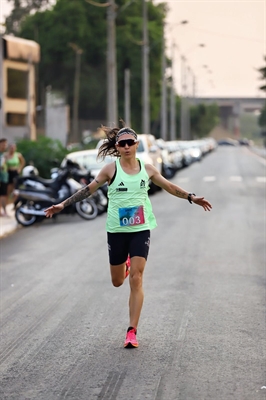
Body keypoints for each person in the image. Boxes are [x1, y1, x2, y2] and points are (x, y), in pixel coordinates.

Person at [44, 125, 212, 348]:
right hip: (117, 231)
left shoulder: (148, 169)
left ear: (136, 144)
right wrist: (62, 204)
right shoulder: (110, 170)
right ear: (117, 147)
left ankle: (132, 331)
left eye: (129, 143)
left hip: (141, 229)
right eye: (121, 143)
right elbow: (88, 190)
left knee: (137, 278)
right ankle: (123, 266)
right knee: (117, 282)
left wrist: (191, 197)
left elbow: (169, 186)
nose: (126, 147)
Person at [0, 138, 9, 217]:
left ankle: (4, 211)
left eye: (5, 144)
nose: (4, 146)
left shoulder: (4, 155)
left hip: (4, 177)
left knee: (4, 194)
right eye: (3, 144)